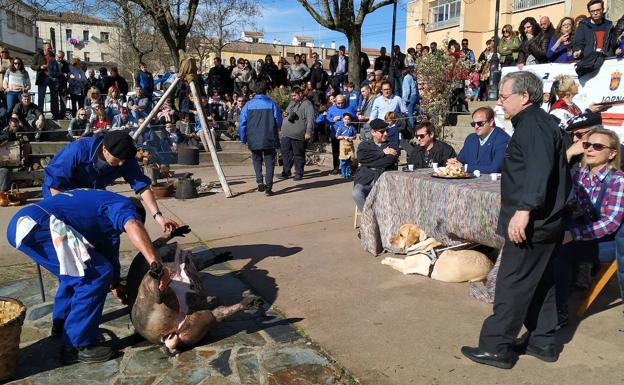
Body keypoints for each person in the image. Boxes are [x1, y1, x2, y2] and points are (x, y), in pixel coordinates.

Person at [461, 71, 571, 369]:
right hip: (544, 222)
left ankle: (496, 347)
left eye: (504, 96)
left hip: (533, 223)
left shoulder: (533, 125)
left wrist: (524, 211)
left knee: (512, 283)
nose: (499, 101)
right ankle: (543, 342)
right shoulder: (536, 123)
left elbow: (539, 171)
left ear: (524, 96)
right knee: (542, 282)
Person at [6, 189, 171, 364]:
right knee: (94, 276)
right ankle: (77, 345)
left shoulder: (102, 214)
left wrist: (115, 283)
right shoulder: (124, 206)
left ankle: (62, 325)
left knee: (74, 271)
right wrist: (156, 264)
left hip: (22, 224)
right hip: (40, 225)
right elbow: (132, 224)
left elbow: (108, 252)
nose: (122, 230)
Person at [554, 127, 624, 328]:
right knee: (548, 237)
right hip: (585, 233)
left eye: (597, 146)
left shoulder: (618, 181)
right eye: (587, 145)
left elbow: (610, 223)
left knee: (562, 249)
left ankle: (559, 310)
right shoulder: (580, 174)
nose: (590, 150)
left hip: (610, 242)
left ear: (612, 153)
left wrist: (573, 234)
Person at [42, 130, 178, 232]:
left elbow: (142, 186)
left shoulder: (124, 157)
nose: (121, 164)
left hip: (91, 192)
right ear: (104, 150)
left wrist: (158, 216)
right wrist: (65, 215)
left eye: (123, 161)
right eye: (117, 160)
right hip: (60, 192)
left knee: (103, 233)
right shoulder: (78, 151)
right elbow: (55, 183)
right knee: (71, 234)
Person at [238, 80, 282, 196]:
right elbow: (278, 121)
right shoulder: (272, 104)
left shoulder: (248, 105)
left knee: (256, 160)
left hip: (254, 137)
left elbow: (242, 122)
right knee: (269, 163)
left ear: (254, 91)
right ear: (266, 91)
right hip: (269, 137)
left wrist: (243, 138)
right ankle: (269, 187)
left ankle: (259, 180)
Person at [352, 119, 399, 211]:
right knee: (356, 193)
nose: (385, 133)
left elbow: (388, 161)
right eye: (382, 132)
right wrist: (382, 153)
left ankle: (372, 218)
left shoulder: (392, 145)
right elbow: (361, 158)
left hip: (383, 177)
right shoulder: (364, 145)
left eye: (387, 131)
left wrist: (367, 162)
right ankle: (369, 217)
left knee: (383, 197)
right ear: (373, 132)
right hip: (365, 177)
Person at [447, 106, 510, 173]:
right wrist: (454, 162)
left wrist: (465, 168)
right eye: (473, 124)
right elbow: (460, 160)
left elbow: (495, 168)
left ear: (491, 122)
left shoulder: (502, 139)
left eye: (480, 123)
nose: (476, 126)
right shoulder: (471, 139)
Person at [280, 87, 315, 181]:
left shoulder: (307, 104)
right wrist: (284, 114)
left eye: (294, 95)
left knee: (298, 154)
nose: (293, 97)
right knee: (285, 153)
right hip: (286, 133)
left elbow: (310, 119)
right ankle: (286, 172)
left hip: (298, 134)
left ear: (300, 94)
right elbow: (286, 112)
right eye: (292, 96)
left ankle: (299, 173)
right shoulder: (292, 103)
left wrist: (308, 132)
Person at [325, 94, 356, 175]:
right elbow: (327, 120)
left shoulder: (350, 108)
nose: (341, 105)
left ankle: (348, 168)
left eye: (342, 103)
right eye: (338, 103)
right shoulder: (331, 109)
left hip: (347, 135)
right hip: (335, 134)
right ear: (335, 101)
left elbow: (354, 118)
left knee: (348, 152)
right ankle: (336, 168)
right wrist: (333, 119)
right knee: (336, 152)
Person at [31, 42, 57, 116]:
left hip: (51, 77)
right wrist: (40, 67)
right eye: (48, 47)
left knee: (54, 96)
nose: (49, 49)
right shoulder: (38, 55)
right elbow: (32, 65)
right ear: (44, 47)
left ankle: (54, 113)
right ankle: (40, 114)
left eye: (50, 47)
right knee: (41, 96)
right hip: (42, 77)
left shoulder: (52, 55)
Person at [336, 112, 357, 178]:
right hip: (343, 145)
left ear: (350, 120)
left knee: (349, 160)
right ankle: (343, 173)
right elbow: (337, 136)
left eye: (348, 119)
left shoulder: (352, 128)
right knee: (343, 160)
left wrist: (352, 137)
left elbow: (355, 136)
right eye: (345, 119)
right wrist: (344, 137)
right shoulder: (341, 127)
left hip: (350, 145)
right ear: (343, 119)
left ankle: (348, 173)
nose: (347, 120)